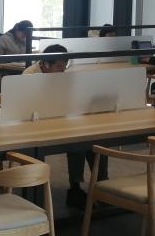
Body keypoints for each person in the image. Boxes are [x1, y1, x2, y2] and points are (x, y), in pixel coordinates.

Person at [22, 44, 107, 207]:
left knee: (94, 138)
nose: (63, 70)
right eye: (59, 66)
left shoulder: (59, 75)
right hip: (34, 125)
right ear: (45, 64)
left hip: (58, 120)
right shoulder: (30, 76)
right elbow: (29, 106)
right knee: (77, 141)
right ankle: (75, 189)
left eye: (64, 66)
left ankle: (103, 185)